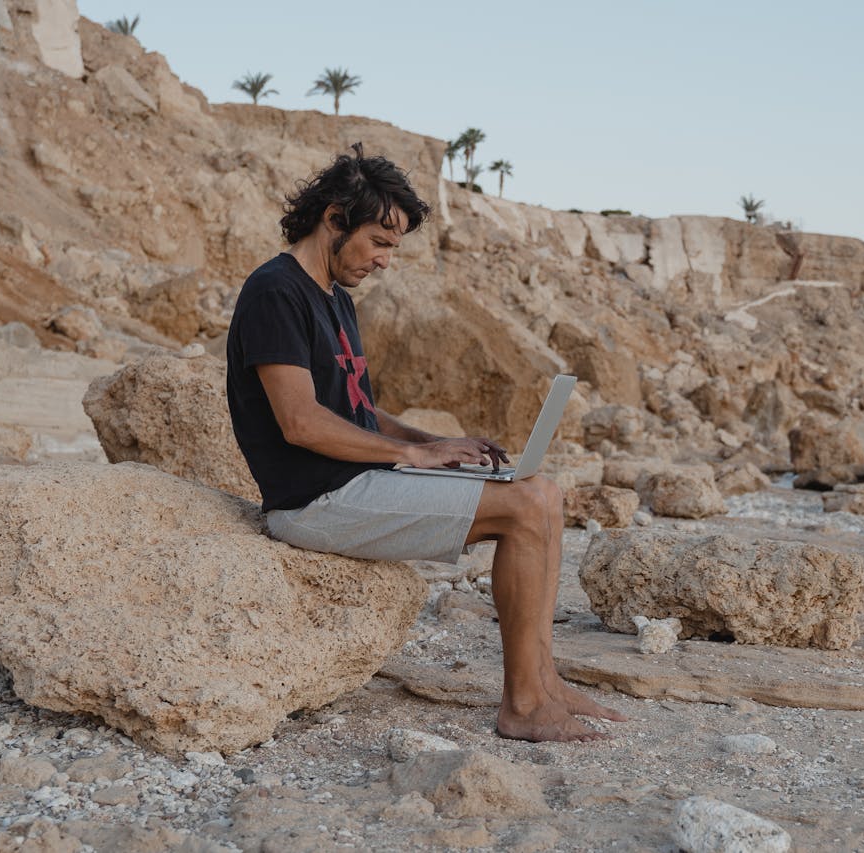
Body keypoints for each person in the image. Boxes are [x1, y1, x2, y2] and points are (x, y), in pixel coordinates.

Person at [226, 144, 626, 743]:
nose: (386, 261)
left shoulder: (334, 296)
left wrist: (435, 441)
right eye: (380, 243)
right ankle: (522, 705)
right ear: (334, 218)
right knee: (520, 511)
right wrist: (411, 457)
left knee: (541, 493)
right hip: (313, 502)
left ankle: (545, 679)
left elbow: (355, 411)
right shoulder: (275, 292)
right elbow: (301, 422)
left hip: (354, 483)